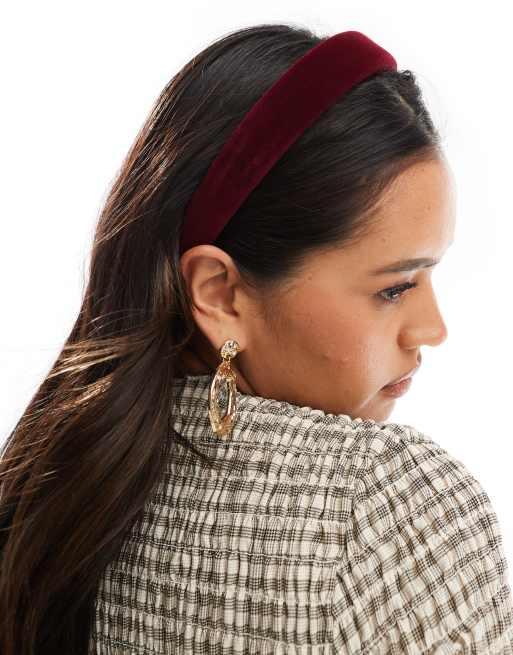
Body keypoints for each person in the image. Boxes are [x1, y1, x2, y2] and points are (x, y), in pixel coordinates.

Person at [1, 23, 512, 655]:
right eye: (395, 287)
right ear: (220, 293)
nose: (434, 328)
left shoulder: (60, 496)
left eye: (432, 274)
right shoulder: (387, 503)